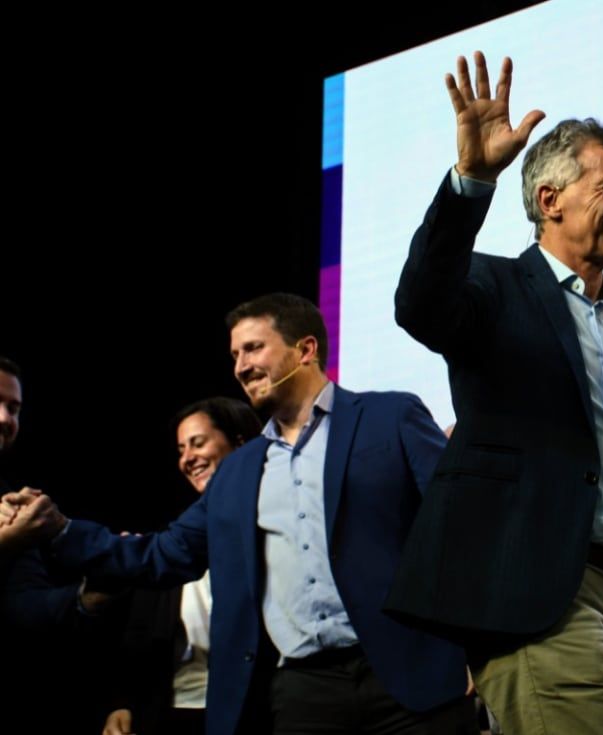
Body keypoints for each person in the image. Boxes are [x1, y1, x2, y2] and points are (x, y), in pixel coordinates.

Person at [386, 52, 603, 734]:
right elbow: (419, 303)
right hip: (533, 593)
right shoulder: (494, 290)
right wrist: (470, 179)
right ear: (550, 199)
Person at [7, 293, 477, 735]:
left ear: (305, 349)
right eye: (234, 355)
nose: (241, 366)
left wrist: (472, 650)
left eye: (253, 349)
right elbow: (165, 554)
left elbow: (460, 526)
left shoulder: (389, 418)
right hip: (304, 694)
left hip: (411, 675)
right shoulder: (237, 472)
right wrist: (62, 529)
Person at [103, 397, 261, 735]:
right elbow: (138, 635)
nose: (187, 458)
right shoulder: (173, 544)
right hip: (170, 715)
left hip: (252, 713)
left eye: (198, 443)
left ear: (240, 444)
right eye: (180, 449)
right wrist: (123, 701)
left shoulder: (271, 530)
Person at [0, 356, 124, 733]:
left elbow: (24, 605)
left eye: (14, 408)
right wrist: (7, 541)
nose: (6, 418)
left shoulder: (9, 500)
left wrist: (89, 597)